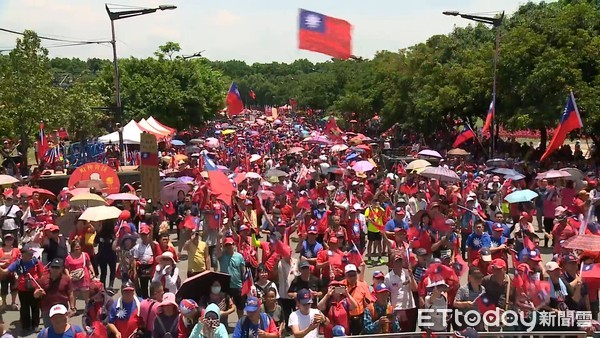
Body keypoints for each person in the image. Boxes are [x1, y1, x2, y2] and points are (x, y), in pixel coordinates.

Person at [1, 244, 44, 333]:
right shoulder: (17, 263)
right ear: (23, 254)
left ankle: (35, 325)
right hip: (22, 290)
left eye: (32, 253)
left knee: (35, 308)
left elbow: (42, 275)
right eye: (29, 253)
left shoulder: (36, 262)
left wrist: (39, 286)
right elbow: (5, 272)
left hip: (34, 289)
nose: (31, 255)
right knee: (24, 308)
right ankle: (26, 326)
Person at [35, 258, 75, 327]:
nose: (55, 270)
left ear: (62, 268)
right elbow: (35, 295)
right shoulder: (43, 279)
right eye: (53, 267)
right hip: (47, 310)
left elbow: (71, 294)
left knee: (63, 329)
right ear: (50, 267)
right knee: (49, 330)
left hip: (62, 309)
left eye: (57, 267)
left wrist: (72, 307)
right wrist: (37, 293)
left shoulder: (66, 279)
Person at [216, 236, 246, 319]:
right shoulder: (222, 256)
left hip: (237, 285)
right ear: (224, 247)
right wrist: (219, 238)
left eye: (231, 245)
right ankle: (225, 325)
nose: (229, 247)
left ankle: (241, 325)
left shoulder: (239, 256)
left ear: (234, 245)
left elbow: (243, 271)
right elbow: (217, 252)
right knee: (224, 307)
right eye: (227, 245)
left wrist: (245, 284)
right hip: (225, 286)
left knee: (240, 308)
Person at [132, 224, 157, 299]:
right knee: (144, 287)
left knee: (153, 286)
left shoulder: (154, 245)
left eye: (146, 235)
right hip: (142, 267)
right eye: (142, 235)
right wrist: (135, 272)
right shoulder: (137, 247)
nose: (144, 237)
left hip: (152, 266)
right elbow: (134, 259)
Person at [0, 233, 19, 311]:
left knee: (14, 288)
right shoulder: (0, 250)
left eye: (10, 239)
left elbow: (19, 261)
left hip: (13, 272)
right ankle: (4, 303)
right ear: (4, 240)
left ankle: (13, 303)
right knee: (3, 288)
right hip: (2, 272)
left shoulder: (16, 250)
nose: (9, 241)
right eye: (7, 239)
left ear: (13, 240)